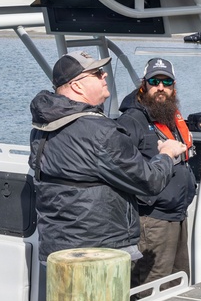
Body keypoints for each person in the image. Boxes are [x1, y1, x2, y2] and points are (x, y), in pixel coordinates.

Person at [29, 51, 189, 264]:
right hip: (99, 253)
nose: (105, 76)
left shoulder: (43, 126)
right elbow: (149, 180)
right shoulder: (101, 132)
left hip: (58, 248)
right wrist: (167, 154)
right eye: (97, 73)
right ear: (77, 85)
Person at [117, 58, 197, 288]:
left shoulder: (169, 116)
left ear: (173, 87)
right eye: (154, 81)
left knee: (178, 282)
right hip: (152, 221)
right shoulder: (131, 121)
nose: (160, 87)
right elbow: (122, 167)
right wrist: (148, 198)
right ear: (144, 85)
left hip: (178, 216)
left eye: (166, 82)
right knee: (152, 287)